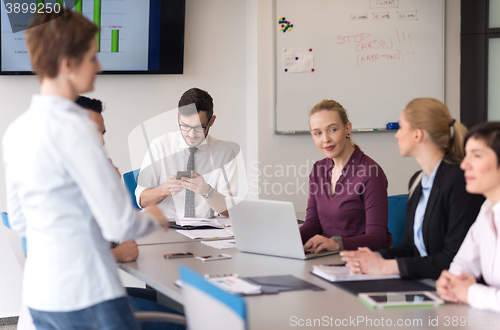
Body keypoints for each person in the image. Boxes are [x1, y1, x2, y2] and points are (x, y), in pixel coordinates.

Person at [3, 10, 168, 330]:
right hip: (89, 296)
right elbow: (120, 224)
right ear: (68, 64)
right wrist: (153, 218)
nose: (99, 66)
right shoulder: (77, 129)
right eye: (92, 57)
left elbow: (21, 219)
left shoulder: (17, 130)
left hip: (41, 298)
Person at [341, 98, 484, 279]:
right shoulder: (417, 181)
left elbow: (454, 259)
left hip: (452, 290)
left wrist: (386, 267)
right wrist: (375, 257)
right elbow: (411, 248)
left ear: (417, 134)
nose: (397, 134)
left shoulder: (460, 183)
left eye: (401, 127)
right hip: (423, 287)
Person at [76, 96, 185, 330]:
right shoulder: (67, 188)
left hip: (91, 292)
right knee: (187, 320)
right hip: (87, 303)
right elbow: (64, 258)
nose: (101, 142)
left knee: (177, 303)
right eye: (95, 132)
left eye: (103, 134)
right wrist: (116, 254)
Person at [300, 99, 393, 253]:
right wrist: (288, 238)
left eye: (332, 129)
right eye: (318, 133)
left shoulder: (371, 173)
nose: (325, 139)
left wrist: (336, 244)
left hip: (368, 259)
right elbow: (313, 223)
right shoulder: (318, 170)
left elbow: (377, 237)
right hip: (332, 256)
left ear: (348, 128)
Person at [135, 88, 237, 219]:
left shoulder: (224, 153)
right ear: (178, 117)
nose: (191, 134)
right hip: (163, 226)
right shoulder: (160, 146)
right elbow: (141, 200)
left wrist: (207, 191)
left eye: (199, 127)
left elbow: (231, 210)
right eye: (185, 126)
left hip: (204, 229)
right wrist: (165, 190)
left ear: (212, 121)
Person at [437, 122, 500, 312]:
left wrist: (470, 292)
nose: (464, 164)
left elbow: (469, 291)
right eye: (466, 155)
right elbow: (462, 264)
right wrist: (450, 283)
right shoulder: (488, 209)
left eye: (477, 155)